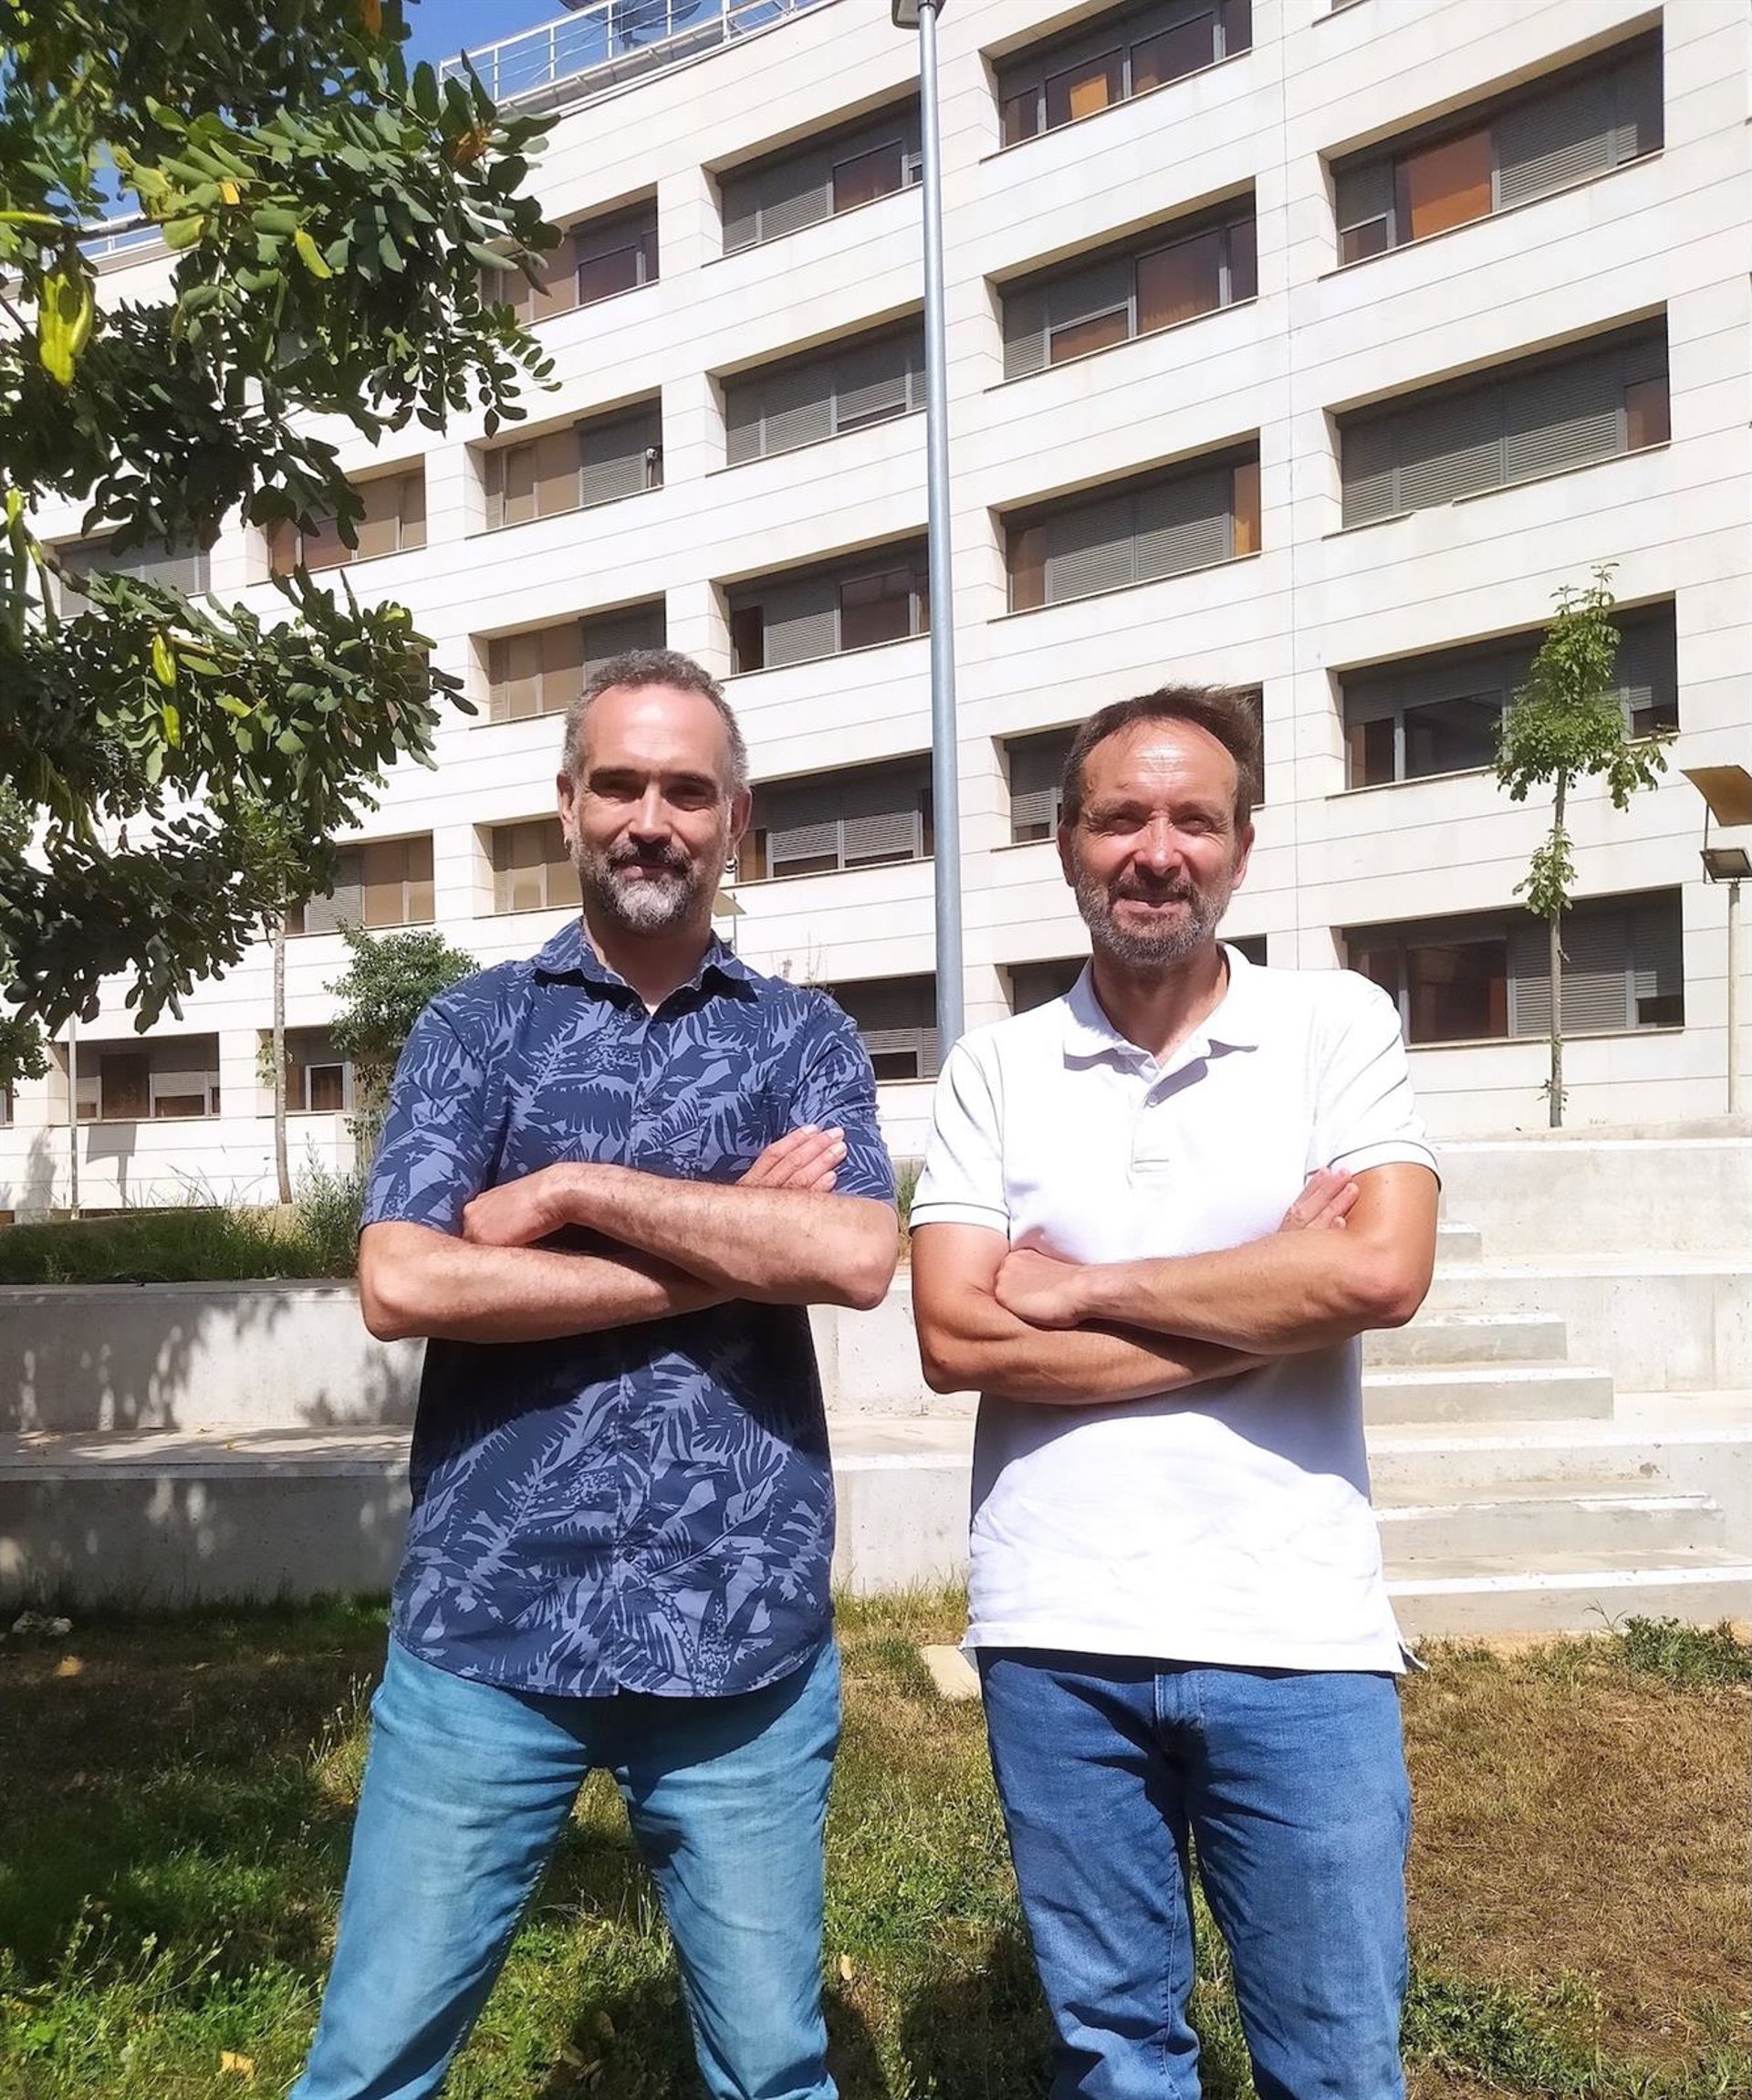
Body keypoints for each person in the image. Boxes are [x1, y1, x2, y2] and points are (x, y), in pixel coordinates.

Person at [290, 649, 898, 2100]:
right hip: (490, 1630)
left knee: (773, 2070)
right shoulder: (474, 1027)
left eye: (686, 790)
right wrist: (730, 1245)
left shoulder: (801, 1037)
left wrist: (568, 1187)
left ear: (734, 820)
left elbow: (857, 1251)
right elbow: (406, 1279)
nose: (650, 819)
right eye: (619, 784)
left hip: (739, 1642)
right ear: (567, 804)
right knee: (368, 2065)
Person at [909, 684, 1440, 2100]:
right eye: (1121, 819)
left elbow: (1381, 1271)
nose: (1158, 851)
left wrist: (1083, 1288)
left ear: (1242, 847)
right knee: (1116, 2056)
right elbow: (954, 1333)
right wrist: (1266, 1296)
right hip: (1057, 1633)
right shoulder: (996, 1067)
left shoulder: (1335, 1024)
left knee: (1337, 2061)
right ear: (1067, 846)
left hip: (1299, 1634)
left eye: (1194, 820)